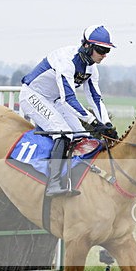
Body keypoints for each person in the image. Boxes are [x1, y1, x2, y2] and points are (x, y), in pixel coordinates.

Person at [19, 25, 119, 197]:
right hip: (33, 95)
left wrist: (106, 123)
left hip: (55, 100)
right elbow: (69, 99)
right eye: (101, 50)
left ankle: (75, 178)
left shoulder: (91, 68)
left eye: (107, 51)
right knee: (64, 133)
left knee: (83, 137)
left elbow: (95, 98)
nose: (104, 55)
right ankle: (53, 184)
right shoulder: (67, 61)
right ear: (87, 46)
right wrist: (94, 122)